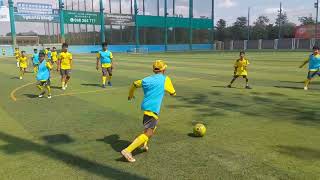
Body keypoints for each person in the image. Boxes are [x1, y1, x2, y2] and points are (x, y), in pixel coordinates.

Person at [121, 60, 176, 163]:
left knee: (152, 128)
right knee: (149, 132)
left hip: (147, 107)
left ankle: (143, 143)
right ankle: (127, 151)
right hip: (152, 109)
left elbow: (134, 84)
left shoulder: (146, 79)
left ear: (153, 69)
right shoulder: (165, 79)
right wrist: (172, 92)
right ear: (164, 69)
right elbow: (173, 93)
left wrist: (131, 94)